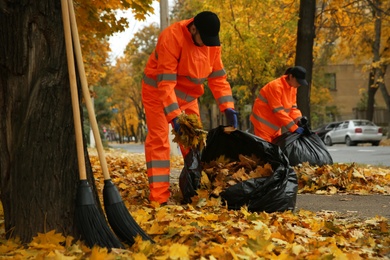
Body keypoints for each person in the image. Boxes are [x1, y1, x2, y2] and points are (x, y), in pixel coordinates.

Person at [141, 11, 238, 204]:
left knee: (195, 142)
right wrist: (175, 117)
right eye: (204, 39)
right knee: (160, 140)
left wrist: (227, 106)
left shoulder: (211, 44)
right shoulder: (172, 38)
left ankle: (196, 188)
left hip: (188, 96)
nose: (208, 44)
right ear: (193, 29)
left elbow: (218, 77)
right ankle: (159, 198)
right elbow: (166, 84)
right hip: (158, 94)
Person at [250, 66, 308, 142]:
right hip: (262, 125)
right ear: (291, 76)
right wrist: (294, 128)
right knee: (265, 151)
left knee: (274, 151)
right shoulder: (275, 87)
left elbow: (293, 108)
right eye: (298, 81)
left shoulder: (293, 88)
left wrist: (299, 121)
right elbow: (278, 111)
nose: (299, 84)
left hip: (275, 126)